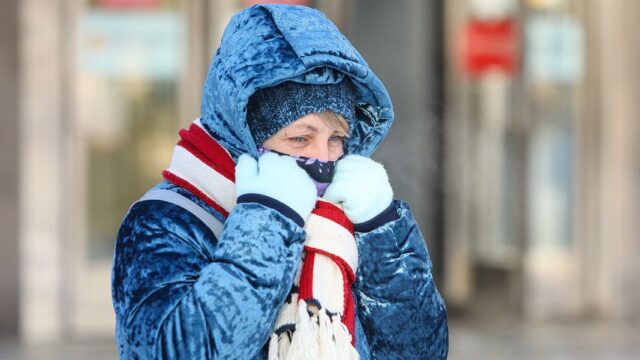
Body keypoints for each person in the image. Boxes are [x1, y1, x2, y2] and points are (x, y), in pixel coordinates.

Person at [112, 4, 448, 359]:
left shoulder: (346, 220)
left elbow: (420, 351)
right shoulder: (163, 221)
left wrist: (382, 231)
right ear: (242, 137)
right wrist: (268, 219)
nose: (324, 159)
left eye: (336, 138)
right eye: (300, 140)